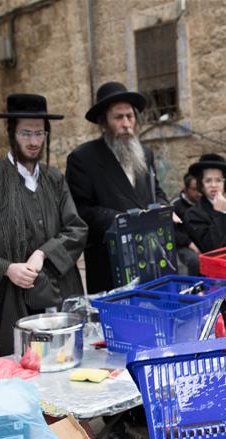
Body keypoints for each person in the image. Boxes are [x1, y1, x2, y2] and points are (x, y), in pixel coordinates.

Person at [0, 93, 87, 356]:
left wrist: (44, 252)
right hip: (17, 297)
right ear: (11, 133)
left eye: (40, 134)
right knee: (25, 363)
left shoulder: (54, 178)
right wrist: (7, 269)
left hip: (62, 292)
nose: (34, 142)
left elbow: (77, 229)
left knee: (67, 360)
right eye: (25, 133)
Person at [66, 81, 168, 293]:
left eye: (129, 116)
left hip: (149, 258)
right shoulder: (83, 158)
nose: (126, 124)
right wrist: (121, 220)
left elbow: (155, 190)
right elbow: (80, 211)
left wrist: (165, 209)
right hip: (109, 263)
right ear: (104, 122)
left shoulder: (145, 153)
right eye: (118, 117)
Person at [184, 153, 226, 253]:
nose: (213, 185)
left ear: (224, 183)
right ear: (201, 184)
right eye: (208, 180)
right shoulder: (193, 214)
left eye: (218, 180)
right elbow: (211, 248)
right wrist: (219, 214)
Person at [171, 172, 203, 275]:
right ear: (185, 189)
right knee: (195, 260)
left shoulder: (203, 203)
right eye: (194, 189)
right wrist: (189, 243)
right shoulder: (175, 206)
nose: (198, 193)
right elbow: (173, 231)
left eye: (199, 189)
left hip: (200, 241)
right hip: (183, 246)